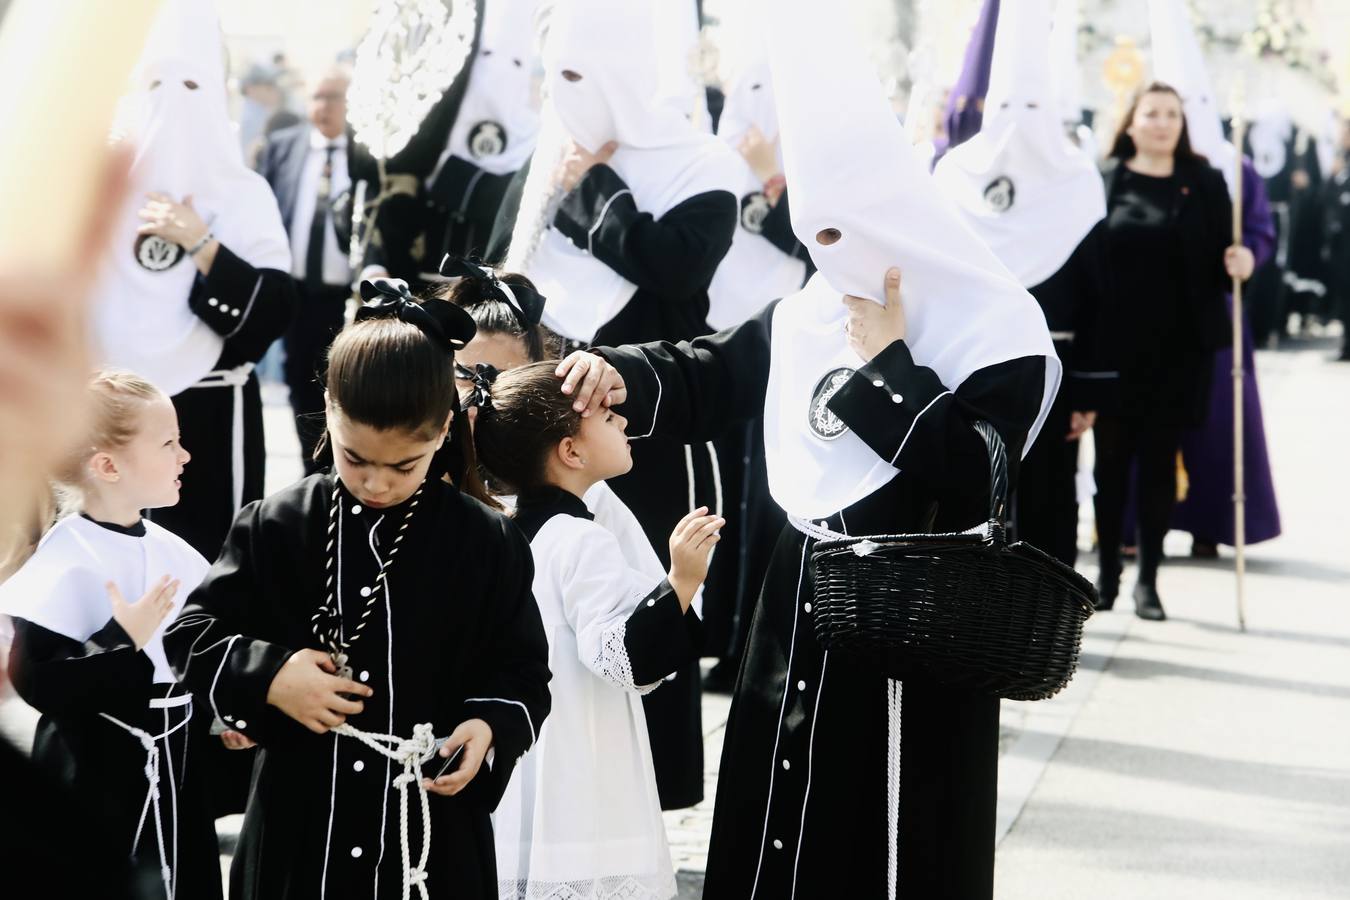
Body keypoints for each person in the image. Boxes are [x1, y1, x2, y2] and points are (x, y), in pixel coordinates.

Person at [548, 0, 1059, 891]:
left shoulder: (995, 325)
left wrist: (892, 368)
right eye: (815, 236)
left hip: (914, 623)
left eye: (843, 233)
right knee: (776, 811)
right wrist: (619, 371)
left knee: (883, 828)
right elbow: (719, 369)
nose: (829, 257)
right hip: (800, 598)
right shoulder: (816, 306)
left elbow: (984, 475)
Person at [162, 283, 552, 899]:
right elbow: (190, 636)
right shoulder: (276, 524)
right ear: (329, 408)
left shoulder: (488, 542)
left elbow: (524, 670)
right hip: (300, 837)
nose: (377, 483)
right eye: (355, 458)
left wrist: (488, 726)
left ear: (446, 428)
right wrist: (271, 675)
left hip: (427, 835)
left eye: (405, 465)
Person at [491, 0, 741, 810]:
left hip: (646, 428)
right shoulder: (550, 151)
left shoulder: (699, 167)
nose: (567, 95)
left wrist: (591, 185)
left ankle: (648, 790)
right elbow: (511, 266)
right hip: (544, 423)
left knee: (640, 588)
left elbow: (674, 270)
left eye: (580, 75)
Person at [474, 361, 718, 900]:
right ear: (571, 452)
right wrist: (681, 579)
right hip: (576, 749)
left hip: (525, 746)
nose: (624, 423)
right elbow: (621, 658)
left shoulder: (505, 532)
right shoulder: (581, 539)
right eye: (608, 417)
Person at [1, 370, 222, 900]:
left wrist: (226, 716)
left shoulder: (174, 550)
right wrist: (120, 637)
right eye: (169, 442)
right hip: (98, 780)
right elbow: (39, 680)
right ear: (107, 465)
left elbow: (205, 648)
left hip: (175, 773)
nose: (184, 455)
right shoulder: (67, 557)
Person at [92, 0, 296, 560]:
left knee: (206, 572)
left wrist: (203, 246)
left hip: (211, 417)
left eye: (189, 84)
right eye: (156, 83)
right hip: (112, 415)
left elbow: (270, 318)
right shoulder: (103, 191)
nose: (171, 102)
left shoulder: (243, 192)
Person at [934, 0, 1112, 567]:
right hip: (969, 365)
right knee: (968, 492)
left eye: (1030, 105)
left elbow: (1100, 298)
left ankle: (1046, 620)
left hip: (1053, 369)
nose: (1017, 118)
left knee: (1051, 496)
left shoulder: (1077, 181)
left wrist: (1089, 390)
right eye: (1006, 103)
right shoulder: (956, 174)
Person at [1093, 82, 1250, 619]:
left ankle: (1149, 581)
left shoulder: (1203, 182)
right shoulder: (1104, 178)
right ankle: (1107, 572)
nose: (1162, 123)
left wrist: (1241, 265)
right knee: (1109, 466)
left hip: (1180, 351)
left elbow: (1228, 256)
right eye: (1152, 113)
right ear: (1131, 122)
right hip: (1114, 350)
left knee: (1160, 463)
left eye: (1172, 115)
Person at [257, 66, 355, 473]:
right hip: (295, 290)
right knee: (301, 382)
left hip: (348, 297)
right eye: (316, 96)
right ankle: (310, 469)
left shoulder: (370, 154)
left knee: (344, 385)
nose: (323, 107)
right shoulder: (282, 146)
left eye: (334, 97)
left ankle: (339, 464)